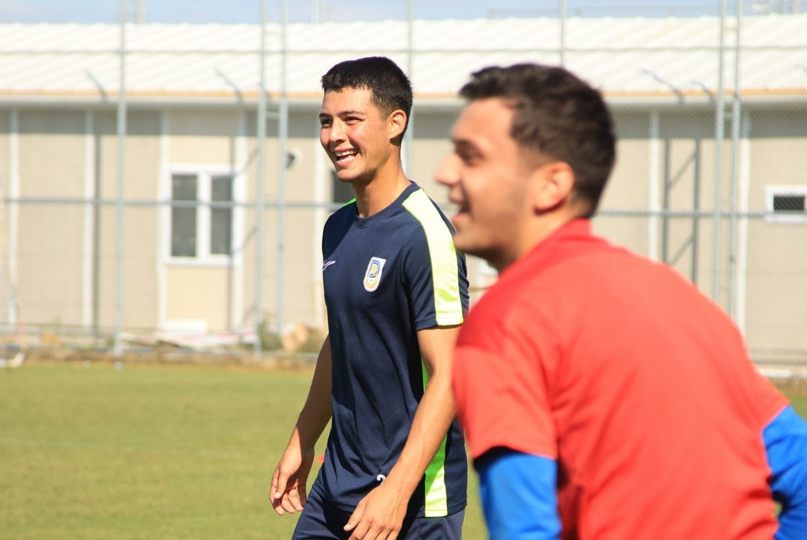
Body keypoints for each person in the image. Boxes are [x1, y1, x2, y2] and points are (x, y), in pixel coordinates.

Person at [436, 62, 807, 539]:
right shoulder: (680, 299)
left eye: (470, 156)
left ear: (552, 185)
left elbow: (525, 529)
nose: (445, 172)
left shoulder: (506, 320)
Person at [270, 56, 469, 540]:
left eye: (351, 120)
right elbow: (342, 342)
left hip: (414, 501)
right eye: (325, 121)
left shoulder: (425, 235)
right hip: (336, 485)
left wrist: (397, 492)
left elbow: (452, 373)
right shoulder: (337, 228)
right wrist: (304, 437)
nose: (334, 135)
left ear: (395, 123)